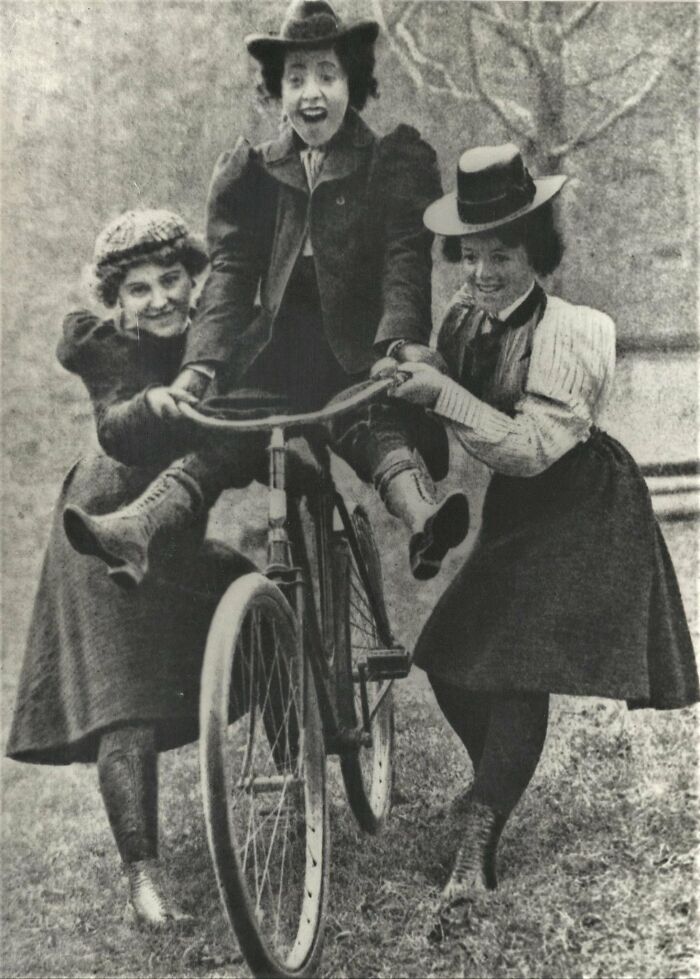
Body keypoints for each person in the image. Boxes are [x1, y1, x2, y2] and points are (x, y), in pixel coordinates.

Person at [61, 0, 469, 590]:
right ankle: (136, 529)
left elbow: (405, 261)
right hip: (272, 355)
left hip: (355, 352)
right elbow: (229, 275)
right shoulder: (252, 173)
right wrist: (199, 369)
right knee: (223, 431)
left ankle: (423, 516)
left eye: (327, 75)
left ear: (352, 80)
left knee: (369, 422)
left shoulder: (391, 162)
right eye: (295, 78)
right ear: (276, 89)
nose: (312, 94)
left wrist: (401, 343)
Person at [390, 144, 699, 908]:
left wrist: (440, 395)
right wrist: (416, 362)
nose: (484, 271)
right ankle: (489, 783)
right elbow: (460, 380)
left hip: (583, 505)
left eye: (503, 254)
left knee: (517, 669)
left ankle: (480, 839)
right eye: (472, 255)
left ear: (537, 253)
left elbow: (529, 448)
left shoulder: (574, 331)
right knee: (447, 656)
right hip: (519, 513)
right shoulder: (467, 319)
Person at [6, 210, 256, 927]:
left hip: (173, 534)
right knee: (128, 697)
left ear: (194, 278)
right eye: (138, 290)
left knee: (255, 592)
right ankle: (144, 878)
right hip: (101, 523)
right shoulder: (111, 350)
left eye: (171, 280)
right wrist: (155, 402)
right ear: (117, 304)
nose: (159, 300)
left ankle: (302, 778)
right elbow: (117, 419)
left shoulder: (217, 335)